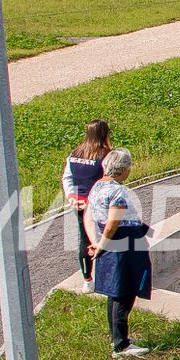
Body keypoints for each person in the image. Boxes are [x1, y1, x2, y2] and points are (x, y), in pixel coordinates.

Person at [85, 147, 152, 355]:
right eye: (128, 167)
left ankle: (116, 338)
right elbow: (113, 223)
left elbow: (89, 216)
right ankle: (121, 345)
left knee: (114, 292)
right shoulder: (118, 191)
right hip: (125, 246)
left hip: (109, 244)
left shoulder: (97, 187)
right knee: (125, 291)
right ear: (123, 170)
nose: (129, 171)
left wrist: (96, 242)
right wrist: (102, 244)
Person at [60, 120, 113, 281]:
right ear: (104, 134)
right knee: (106, 237)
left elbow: (67, 177)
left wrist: (72, 197)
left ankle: (87, 279)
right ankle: (107, 277)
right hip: (99, 204)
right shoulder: (107, 155)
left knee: (84, 239)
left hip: (79, 203)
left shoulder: (74, 154)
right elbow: (110, 180)